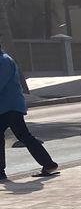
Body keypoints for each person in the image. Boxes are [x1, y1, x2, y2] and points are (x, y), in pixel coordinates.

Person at [0, 39, 59, 181]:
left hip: (10, 107)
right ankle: (48, 164)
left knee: (24, 136)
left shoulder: (3, 61)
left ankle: (49, 164)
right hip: (7, 107)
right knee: (23, 136)